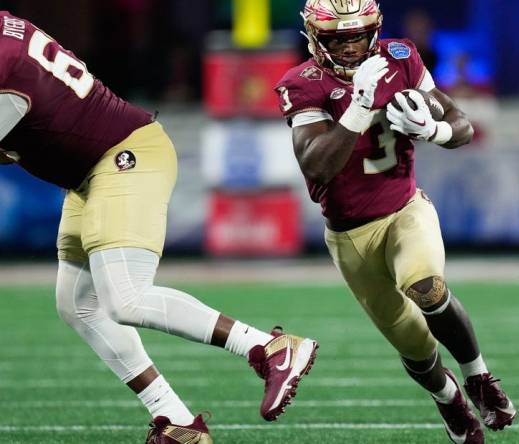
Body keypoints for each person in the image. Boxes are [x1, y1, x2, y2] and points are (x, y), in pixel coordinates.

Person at [0, 11, 318, 443]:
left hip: (122, 156)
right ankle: (177, 420)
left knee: (125, 299)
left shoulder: (7, 68)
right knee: (77, 304)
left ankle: (268, 347)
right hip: (90, 169)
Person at [275, 1, 516, 442]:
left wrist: (434, 131)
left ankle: (479, 377)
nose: (350, 47)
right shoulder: (302, 83)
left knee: (427, 286)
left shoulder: (401, 57)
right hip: (349, 236)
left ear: (375, 29)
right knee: (414, 346)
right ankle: (450, 401)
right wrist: (359, 108)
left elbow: (459, 121)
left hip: (406, 211)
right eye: (337, 38)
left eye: (357, 36)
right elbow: (317, 166)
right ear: (315, 37)